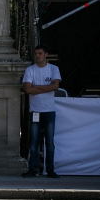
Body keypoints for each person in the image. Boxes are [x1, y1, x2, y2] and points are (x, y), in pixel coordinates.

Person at [22, 45, 62, 179]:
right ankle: (33, 169)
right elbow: (28, 89)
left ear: (46, 54)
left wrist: (37, 86)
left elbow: (55, 86)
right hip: (35, 110)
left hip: (49, 110)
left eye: (40, 53)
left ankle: (50, 170)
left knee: (49, 142)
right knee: (34, 141)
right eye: (36, 53)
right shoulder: (30, 70)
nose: (37, 56)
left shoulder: (53, 69)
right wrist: (47, 88)